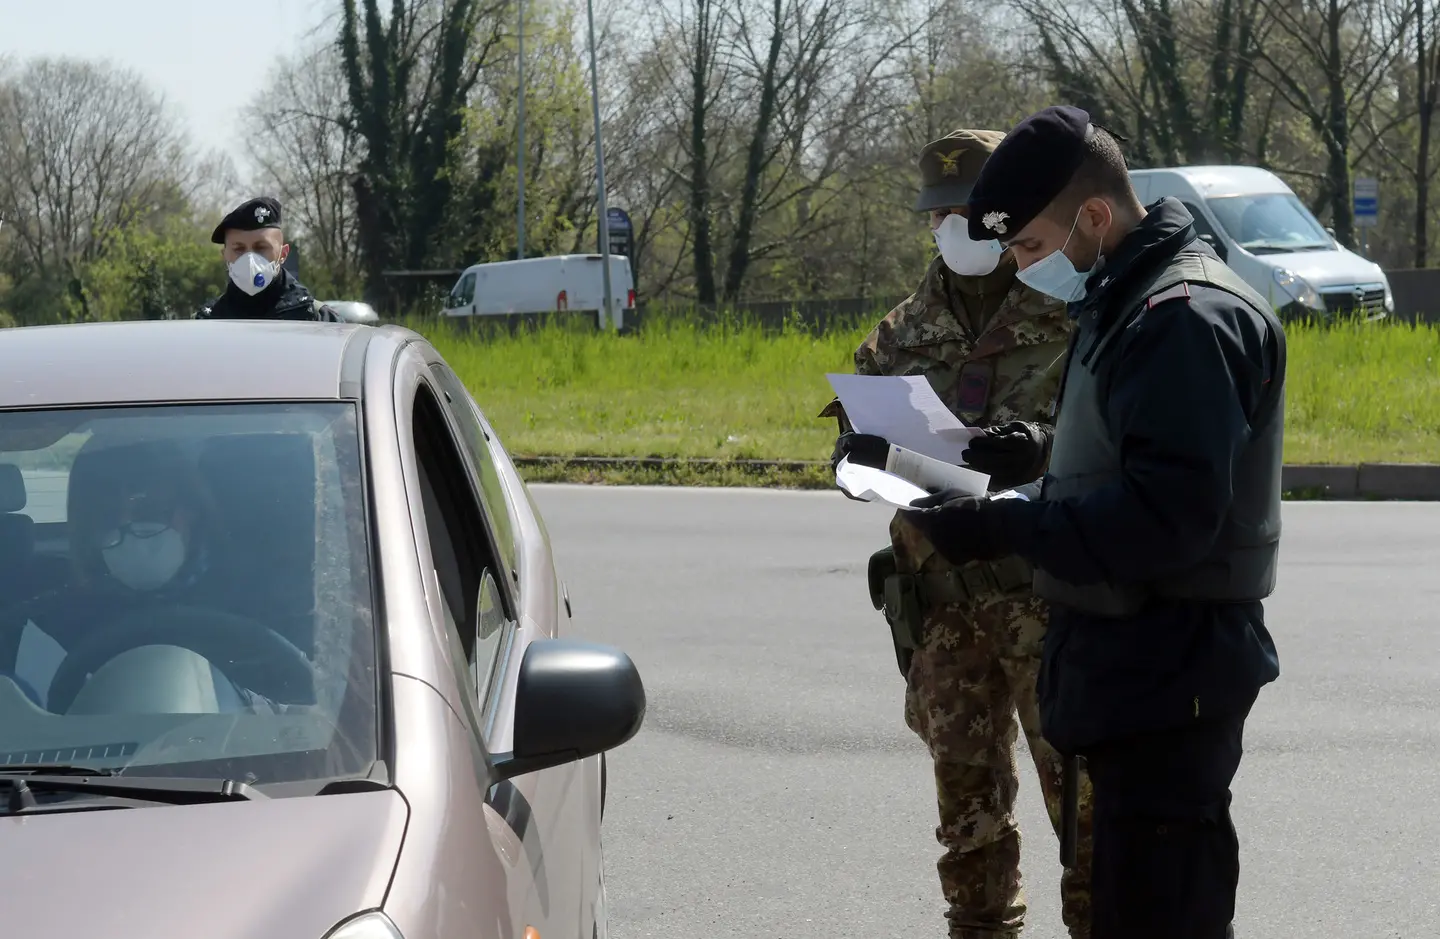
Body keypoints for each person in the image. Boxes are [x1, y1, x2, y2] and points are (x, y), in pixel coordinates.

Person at [908, 106, 1285, 939]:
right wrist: (1032, 450)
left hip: (1168, 680)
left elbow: (1166, 518)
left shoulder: (1181, 318)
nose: (1023, 267)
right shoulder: (1128, 302)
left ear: (1094, 215)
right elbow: (1135, 447)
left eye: (1032, 248)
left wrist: (1006, 524)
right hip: (1136, 684)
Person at [823, 128, 1094, 939]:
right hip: (942, 611)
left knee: (1086, 814)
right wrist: (853, 459)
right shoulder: (901, 329)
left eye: (966, 211)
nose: (952, 227)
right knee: (968, 823)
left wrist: (1041, 448)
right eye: (937, 213)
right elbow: (850, 448)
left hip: (1045, 601)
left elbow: (1114, 435)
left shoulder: (1074, 310)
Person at [195, 196, 342, 322]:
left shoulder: (317, 319)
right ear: (225, 255)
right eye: (239, 249)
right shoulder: (208, 321)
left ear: (283, 254)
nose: (250, 259)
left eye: (261, 248)